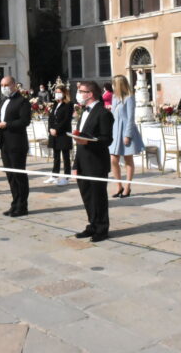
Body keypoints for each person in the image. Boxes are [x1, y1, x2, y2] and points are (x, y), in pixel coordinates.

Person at [72, 81, 114, 242]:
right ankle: (92, 224)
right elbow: (79, 139)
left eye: (81, 91)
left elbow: (107, 139)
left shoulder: (103, 113)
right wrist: (76, 164)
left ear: (90, 94)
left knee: (98, 196)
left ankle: (102, 228)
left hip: (96, 162)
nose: (79, 94)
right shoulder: (84, 112)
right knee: (87, 196)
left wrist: (89, 142)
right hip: (83, 161)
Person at [0, 77, 31, 217]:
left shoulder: (22, 101)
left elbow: (24, 121)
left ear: (14, 85)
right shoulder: (3, 101)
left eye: (6, 85)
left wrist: (7, 125)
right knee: (10, 175)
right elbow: (2, 121)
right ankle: (15, 203)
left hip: (17, 143)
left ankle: (22, 206)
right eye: (2, 85)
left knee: (18, 174)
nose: (4, 87)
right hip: (4, 142)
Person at [109, 75, 145, 198]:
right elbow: (113, 115)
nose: (113, 86)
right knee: (113, 159)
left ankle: (128, 187)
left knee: (128, 160)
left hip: (125, 131)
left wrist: (128, 135)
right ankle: (119, 186)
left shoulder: (129, 98)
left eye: (114, 84)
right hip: (115, 131)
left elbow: (130, 118)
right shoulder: (114, 97)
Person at [46, 84, 72, 186]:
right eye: (56, 92)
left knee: (65, 156)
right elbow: (51, 118)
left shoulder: (68, 104)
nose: (57, 94)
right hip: (54, 134)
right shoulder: (56, 104)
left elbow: (66, 120)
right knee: (56, 156)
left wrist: (57, 129)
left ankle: (66, 176)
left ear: (64, 93)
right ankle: (54, 175)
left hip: (63, 134)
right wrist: (50, 129)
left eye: (59, 92)